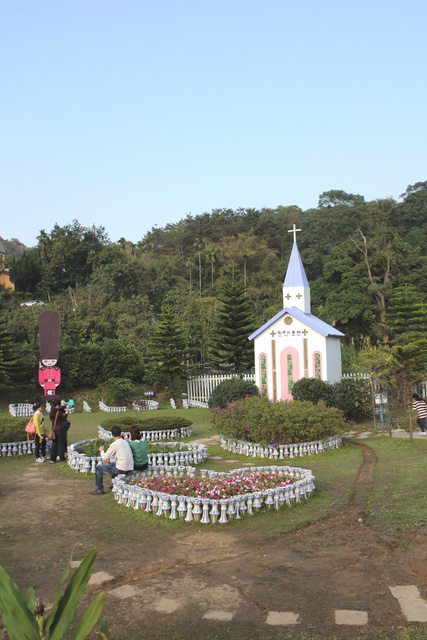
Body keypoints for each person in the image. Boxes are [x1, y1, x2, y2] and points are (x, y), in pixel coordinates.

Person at [91, 426, 134, 495]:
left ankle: (99, 489)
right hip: (129, 467)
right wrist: (110, 461)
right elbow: (120, 457)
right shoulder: (125, 442)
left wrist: (101, 451)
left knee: (98, 467)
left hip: (121, 469)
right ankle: (113, 484)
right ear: (120, 434)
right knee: (112, 465)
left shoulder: (115, 444)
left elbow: (105, 457)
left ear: (112, 435)